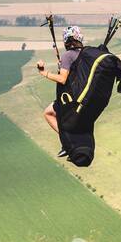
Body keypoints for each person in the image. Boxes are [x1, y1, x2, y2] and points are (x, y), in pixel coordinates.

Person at [37, 26, 84, 157]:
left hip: (70, 97)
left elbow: (62, 79)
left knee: (48, 113)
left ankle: (67, 141)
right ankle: (68, 141)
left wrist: (43, 72)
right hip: (83, 95)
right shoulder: (84, 54)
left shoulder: (68, 55)